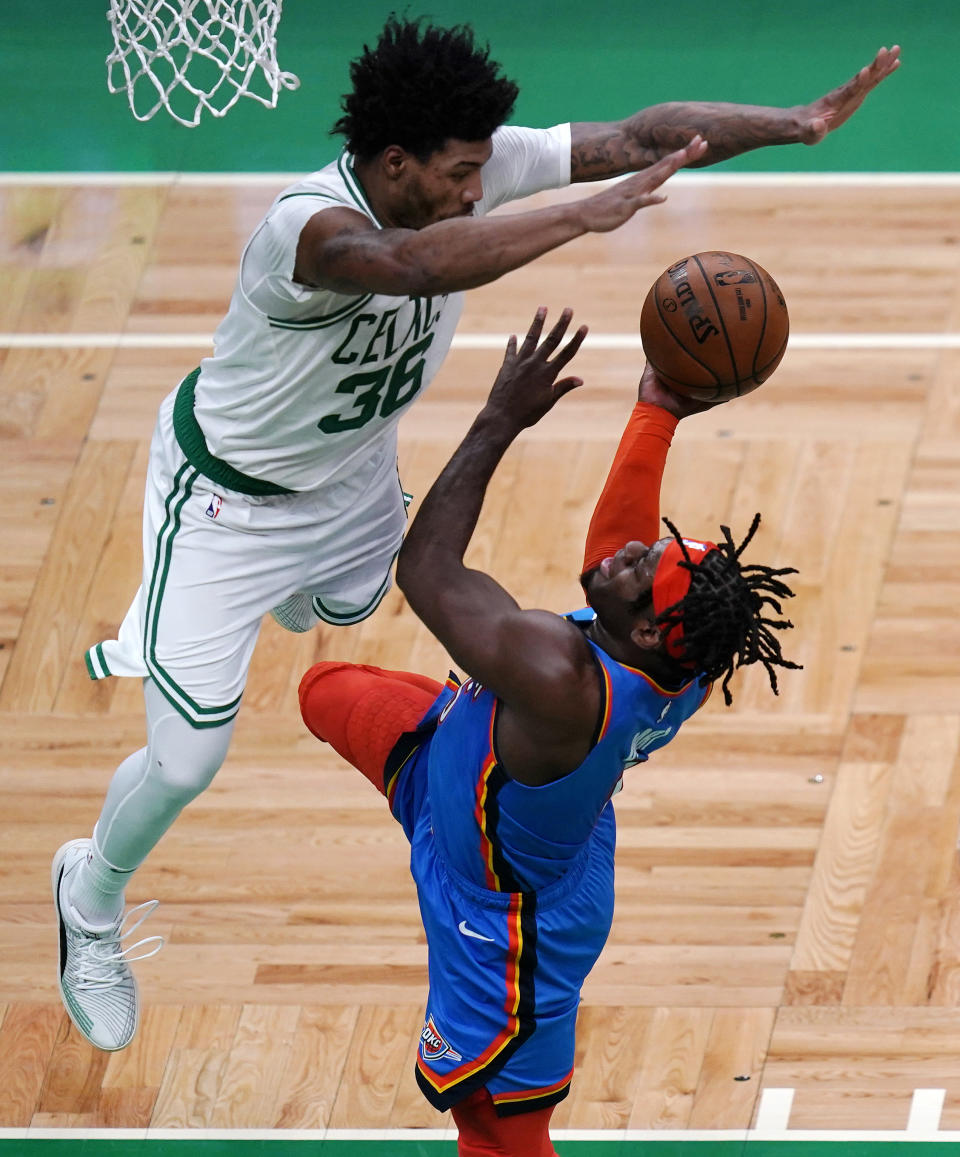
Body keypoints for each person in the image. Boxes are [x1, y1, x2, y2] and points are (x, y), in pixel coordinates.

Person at [52, 13, 898, 1052]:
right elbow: (414, 268)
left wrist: (797, 123)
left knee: (352, 601)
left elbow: (641, 141)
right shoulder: (305, 231)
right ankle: (88, 899)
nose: (476, 187)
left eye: (482, 171)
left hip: (352, 479)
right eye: (459, 175)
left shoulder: (471, 169)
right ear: (394, 162)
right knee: (188, 760)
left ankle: (299, 594)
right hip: (231, 502)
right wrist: (582, 218)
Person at [297, 307, 801, 1156]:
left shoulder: (558, 674)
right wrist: (657, 409)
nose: (634, 551)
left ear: (645, 629)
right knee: (322, 689)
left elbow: (426, 570)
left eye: (645, 568)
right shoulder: (683, 647)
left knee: (494, 1125)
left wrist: (501, 416)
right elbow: (621, 545)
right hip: (457, 770)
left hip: (506, 916)